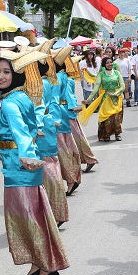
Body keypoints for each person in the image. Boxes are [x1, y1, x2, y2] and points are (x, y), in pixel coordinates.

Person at [0, 51, 69, 275]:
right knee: (31, 217)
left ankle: (47, 266)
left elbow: (20, 131)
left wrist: (27, 155)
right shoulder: (22, 95)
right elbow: (32, 123)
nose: (0, 76)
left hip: (20, 167)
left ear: (17, 75)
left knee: (29, 219)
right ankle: (37, 264)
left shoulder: (9, 101)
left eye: (7, 72)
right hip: (20, 165)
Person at [34, 56, 69, 227]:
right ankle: (56, 211)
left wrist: (38, 126)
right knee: (51, 169)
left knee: (46, 171)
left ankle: (52, 212)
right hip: (47, 126)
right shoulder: (47, 82)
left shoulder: (39, 85)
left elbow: (40, 108)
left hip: (41, 130)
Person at [52, 47, 82, 196]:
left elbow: (54, 100)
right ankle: (72, 176)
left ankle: (70, 178)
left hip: (56, 116)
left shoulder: (56, 78)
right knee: (67, 148)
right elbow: (69, 96)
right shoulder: (62, 77)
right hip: (62, 114)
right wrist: (71, 107)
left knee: (60, 151)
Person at [81, 57, 125, 142]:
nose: (110, 64)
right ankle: (106, 134)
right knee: (107, 118)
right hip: (105, 99)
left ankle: (117, 134)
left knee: (116, 118)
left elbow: (122, 86)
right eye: (107, 63)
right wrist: (88, 99)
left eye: (111, 62)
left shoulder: (117, 73)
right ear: (104, 65)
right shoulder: (101, 74)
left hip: (116, 98)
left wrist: (116, 94)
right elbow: (96, 87)